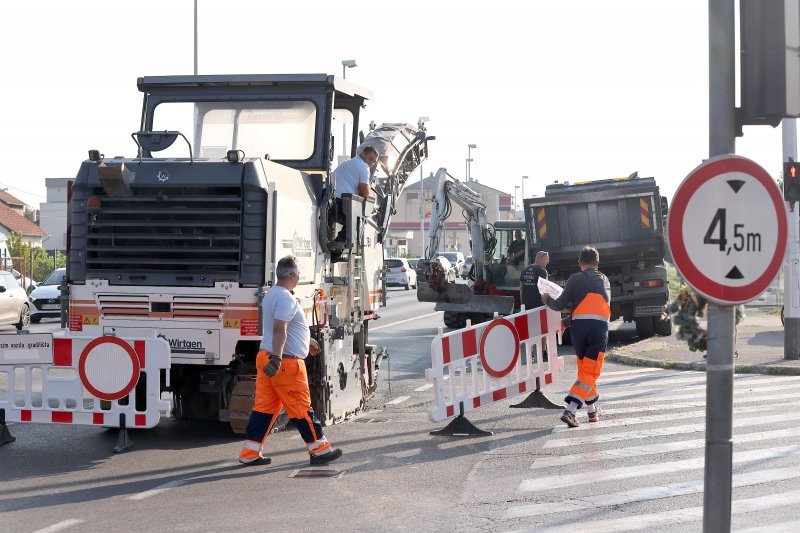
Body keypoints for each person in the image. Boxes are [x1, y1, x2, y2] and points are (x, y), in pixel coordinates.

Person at [238, 256, 343, 466]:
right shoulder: (286, 297)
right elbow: (279, 330)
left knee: (264, 408)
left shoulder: (271, 295)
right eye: (298, 275)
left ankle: (249, 452)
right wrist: (277, 358)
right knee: (301, 407)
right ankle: (319, 449)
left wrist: (306, 340)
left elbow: (283, 328)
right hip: (284, 363)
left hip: (267, 357)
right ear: (293, 275)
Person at [541, 246, 610, 428]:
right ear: (597, 263)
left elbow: (558, 305)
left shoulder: (574, 279)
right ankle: (570, 410)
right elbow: (596, 309)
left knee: (585, 372)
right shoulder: (605, 281)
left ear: (580, 263)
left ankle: (592, 411)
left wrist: (547, 299)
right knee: (591, 371)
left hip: (579, 331)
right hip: (598, 330)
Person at [328, 146, 379, 251]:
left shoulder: (347, 163)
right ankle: (339, 247)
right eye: (370, 159)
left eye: (374, 162)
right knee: (358, 220)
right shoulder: (364, 168)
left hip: (328, 200)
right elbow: (364, 193)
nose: (371, 163)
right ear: (363, 154)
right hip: (340, 203)